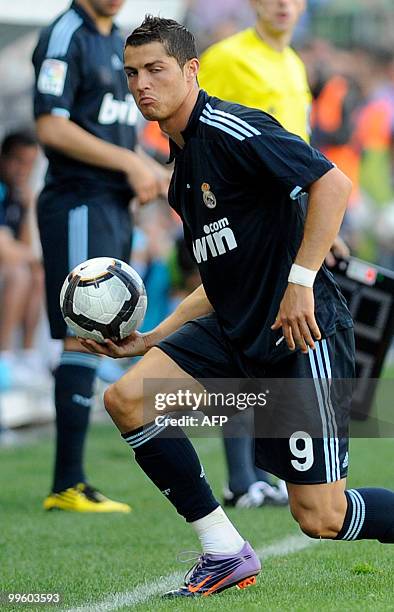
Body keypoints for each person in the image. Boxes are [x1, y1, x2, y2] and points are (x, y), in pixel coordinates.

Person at [81, 17, 394, 598]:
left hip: (303, 335)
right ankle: (225, 551)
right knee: (128, 398)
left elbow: (333, 184)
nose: (142, 84)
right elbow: (220, 281)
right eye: (131, 74)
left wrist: (300, 280)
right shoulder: (182, 175)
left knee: (320, 518)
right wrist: (153, 337)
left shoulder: (231, 128)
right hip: (235, 329)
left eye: (156, 70)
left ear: (190, 71)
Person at [32, 0, 167, 513]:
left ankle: (73, 480)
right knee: (80, 331)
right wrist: (129, 161)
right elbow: (51, 126)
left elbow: (114, 128)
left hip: (110, 202)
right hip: (78, 199)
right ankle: (67, 482)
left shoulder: (119, 42)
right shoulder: (67, 34)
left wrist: (146, 165)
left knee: (96, 332)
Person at [0, 131, 46, 386]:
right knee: (20, 273)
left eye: (30, 164)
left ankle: (29, 356)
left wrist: (29, 208)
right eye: (18, 161)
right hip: (7, 271)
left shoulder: (17, 195)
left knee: (36, 274)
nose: (23, 170)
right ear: (4, 159)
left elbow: (25, 247)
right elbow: (5, 250)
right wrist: (32, 257)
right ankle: (4, 356)